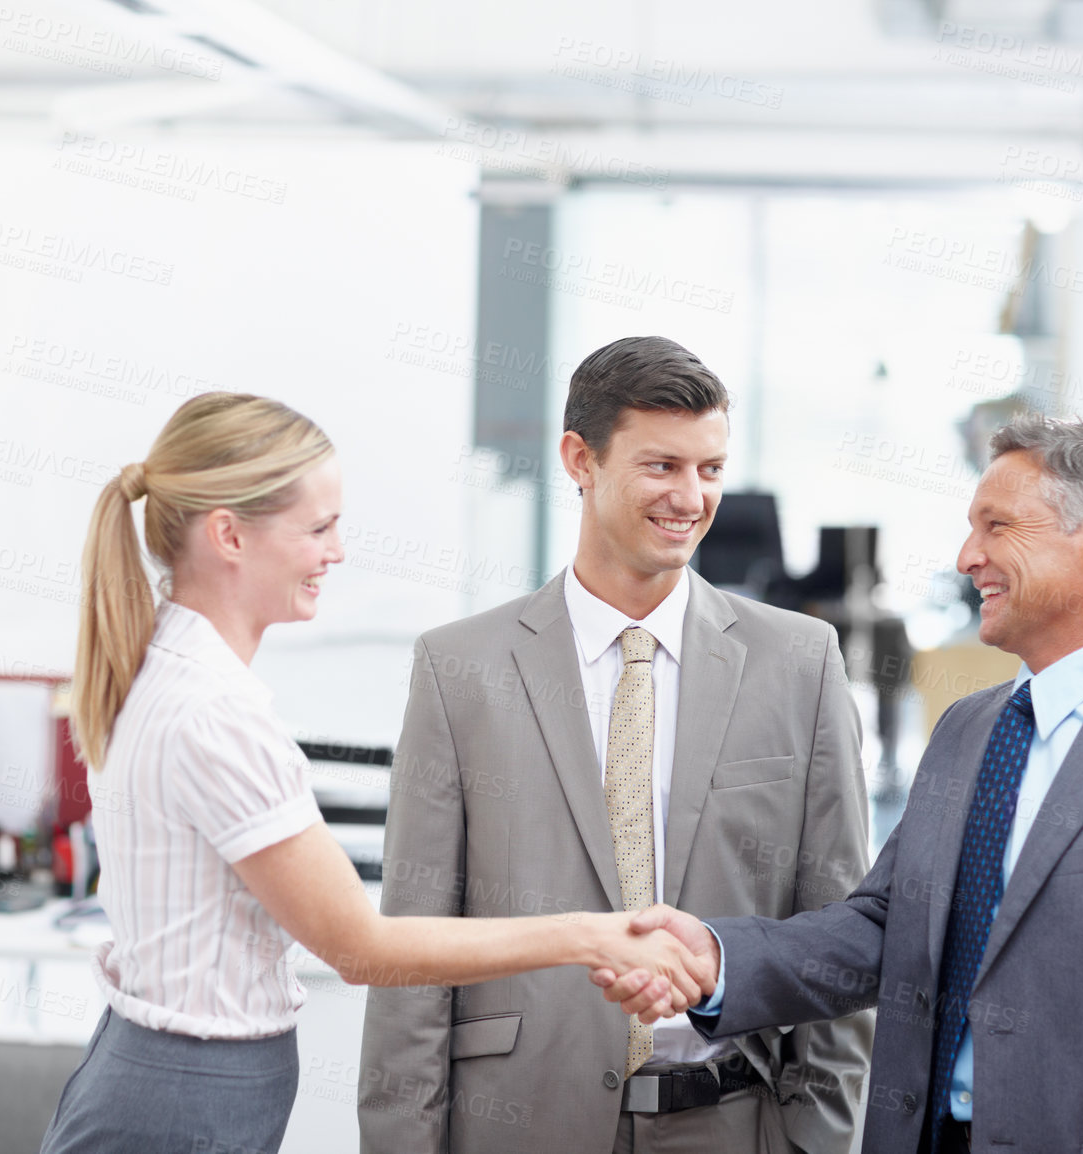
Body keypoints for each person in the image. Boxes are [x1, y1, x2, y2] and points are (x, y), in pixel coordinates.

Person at [596, 415, 1083, 1154]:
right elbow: (885, 928)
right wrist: (718, 960)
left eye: (996, 526)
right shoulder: (969, 730)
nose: (968, 557)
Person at [37, 392, 709, 1154]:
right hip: (183, 1101)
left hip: (165, 1079)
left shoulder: (167, 666)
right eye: (319, 528)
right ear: (228, 535)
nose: (338, 552)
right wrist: (591, 935)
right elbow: (359, 948)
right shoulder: (214, 713)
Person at [360, 337, 874, 1154]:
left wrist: (817, 1139)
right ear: (579, 459)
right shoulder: (461, 668)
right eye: (662, 465)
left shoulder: (799, 662)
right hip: (520, 1122)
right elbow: (416, 953)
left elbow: (838, 932)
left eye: (710, 468)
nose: (691, 497)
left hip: (736, 1124)